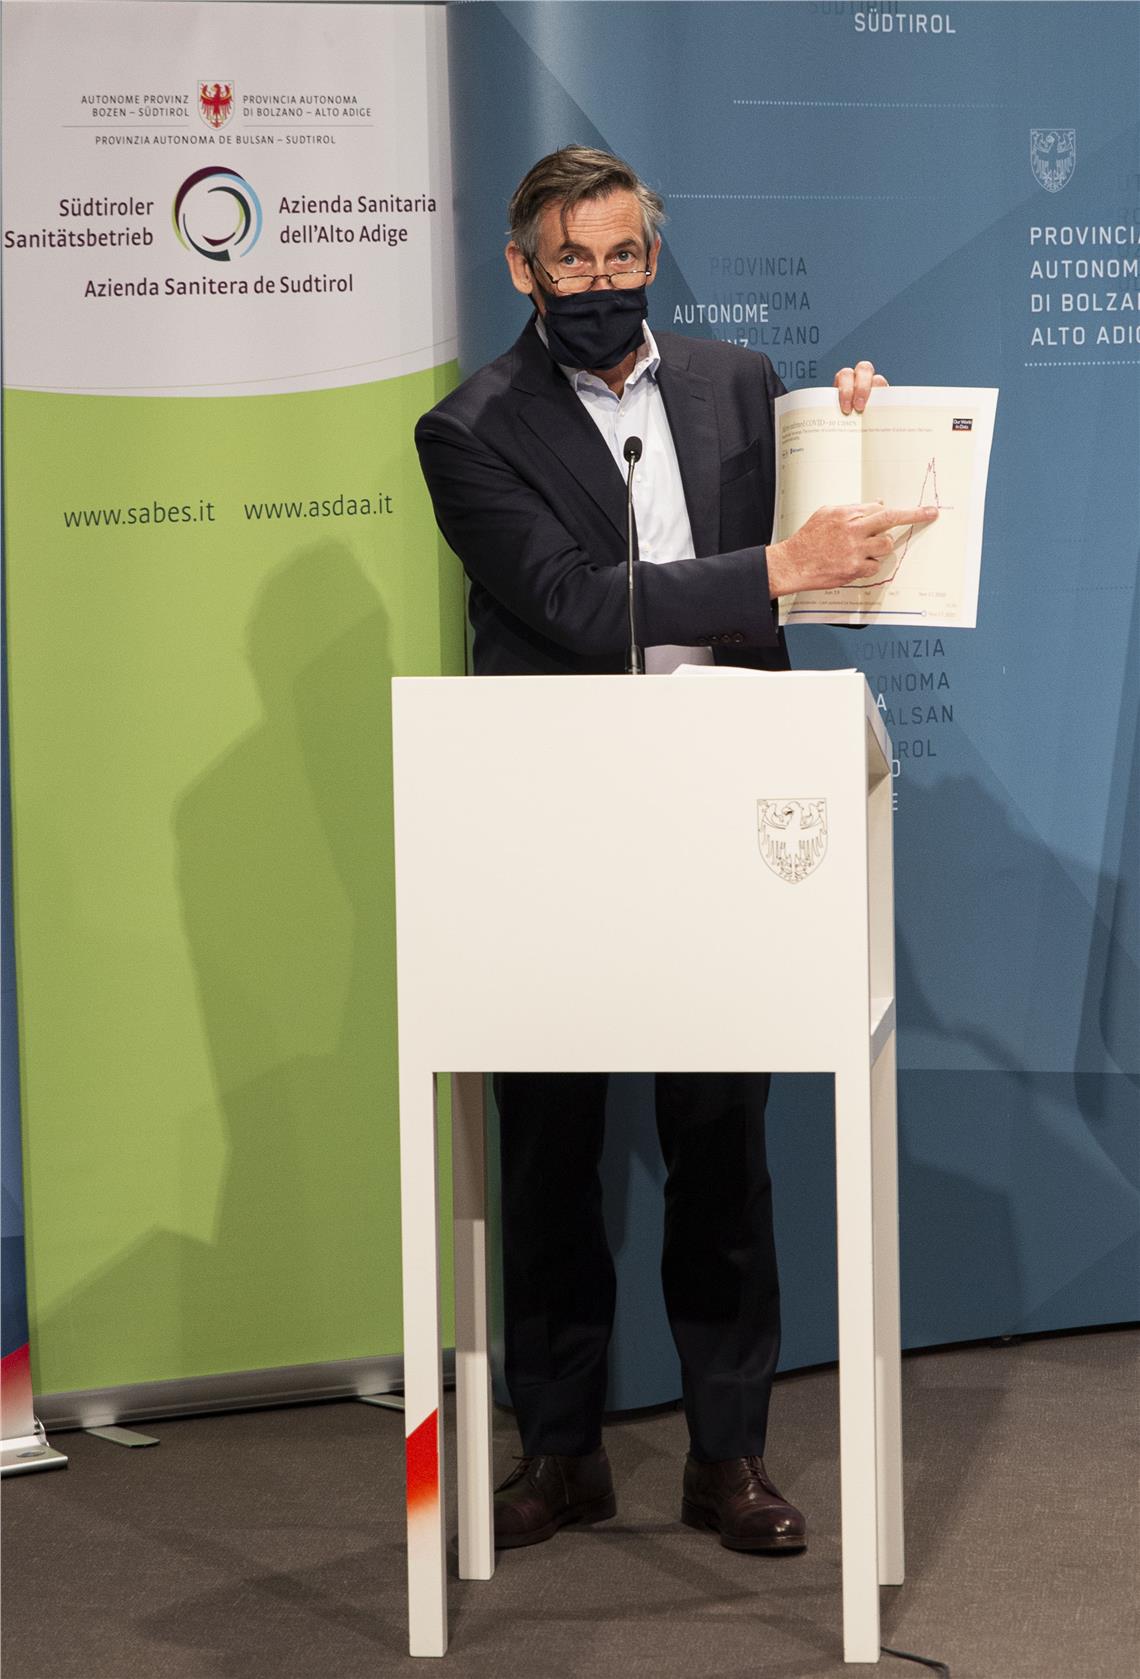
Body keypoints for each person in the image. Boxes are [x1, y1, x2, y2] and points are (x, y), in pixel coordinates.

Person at [415, 146, 936, 1556]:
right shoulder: (468, 431)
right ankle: (561, 1454)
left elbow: (834, 541)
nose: (602, 282)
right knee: (551, 1150)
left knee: (721, 1146)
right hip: (557, 825)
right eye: (572, 261)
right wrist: (776, 566)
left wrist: (864, 434)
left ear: (653, 257)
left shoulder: (737, 384)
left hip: (724, 810)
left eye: (624, 255)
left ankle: (728, 1458)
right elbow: (574, 604)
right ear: (522, 269)